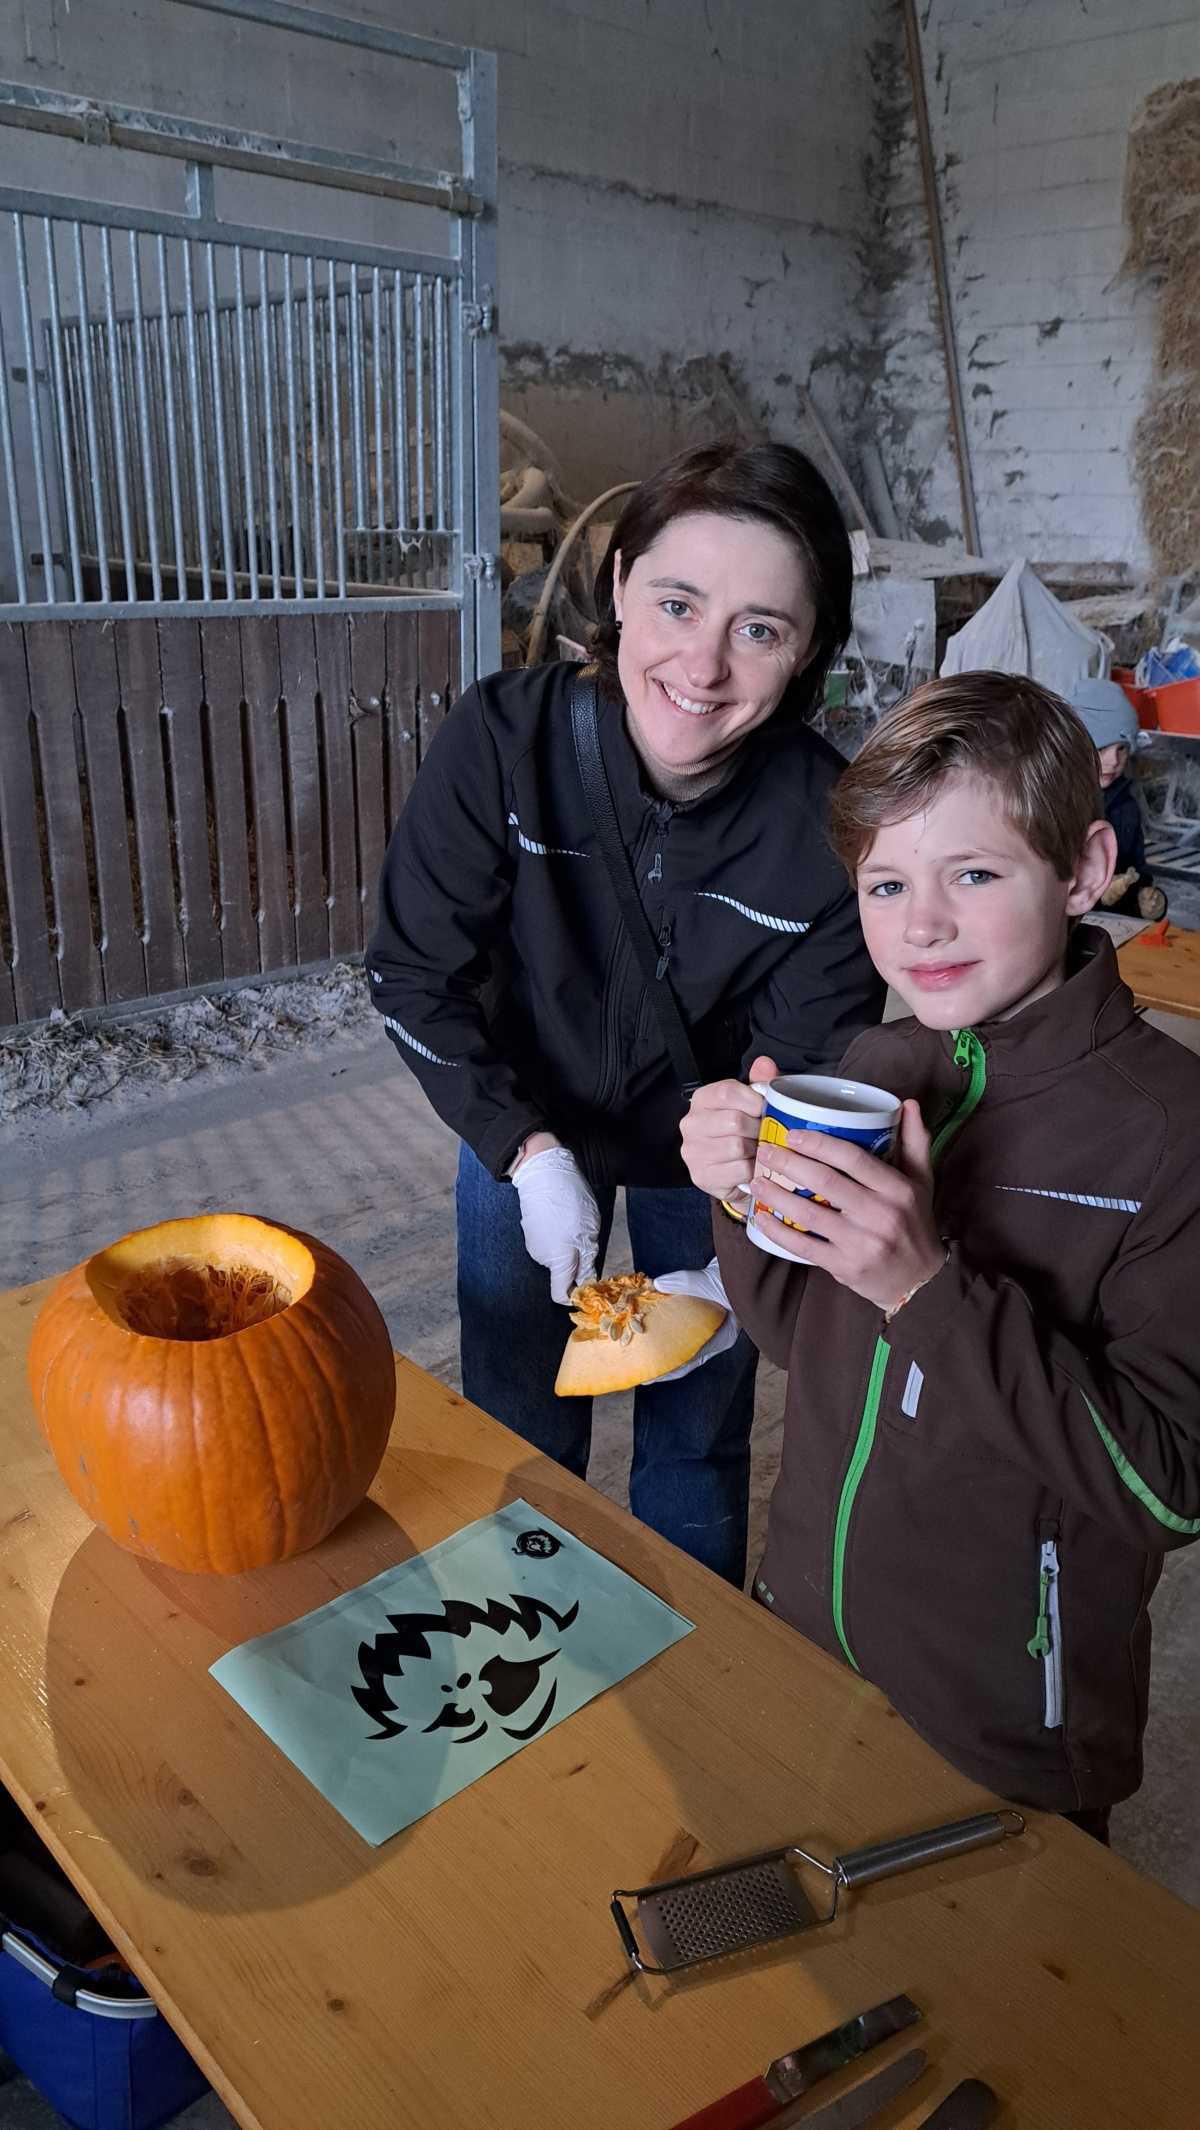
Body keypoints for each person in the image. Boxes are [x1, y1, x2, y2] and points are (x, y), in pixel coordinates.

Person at [674, 671, 1200, 1830]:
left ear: (1083, 871)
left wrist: (924, 1286)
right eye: (886, 883)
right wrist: (737, 1190)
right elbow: (790, 1330)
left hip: (1008, 1722)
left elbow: (1169, 1492)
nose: (921, 925)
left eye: (973, 873)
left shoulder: (1169, 1137)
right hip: (804, 1632)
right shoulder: (874, 1066)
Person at [366, 441, 884, 1586]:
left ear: (806, 655)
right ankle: (523, 1625)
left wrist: (757, 1213)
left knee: (697, 1429)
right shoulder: (503, 744)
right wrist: (522, 1150)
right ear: (619, 586)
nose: (701, 664)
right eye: (678, 602)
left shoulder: (827, 829)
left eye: (760, 627)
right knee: (515, 1402)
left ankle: (685, 1648)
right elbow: (413, 972)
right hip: (520, 1118)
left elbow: (809, 1063)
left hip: (708, 1162)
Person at [1067, 676, 1166, 921]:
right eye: (1101, 749)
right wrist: (1098, 896)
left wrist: (1145, 898)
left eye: (1121, 748)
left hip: (1112, 931)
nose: (1113, 761)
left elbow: (1136, 870)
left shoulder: (1126, 807)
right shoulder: (1057, 805)